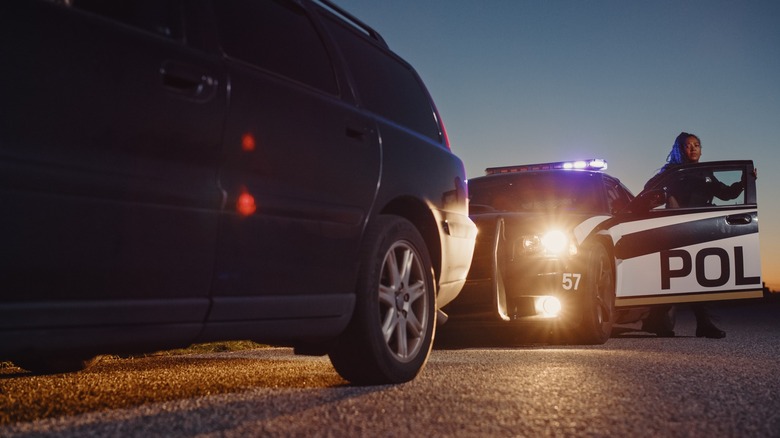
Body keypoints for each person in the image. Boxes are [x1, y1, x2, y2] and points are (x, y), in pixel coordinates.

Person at [642, 132, 754, 338]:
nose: (693, 148)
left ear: (701, 149)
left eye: (696, 144)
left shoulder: (706, 173)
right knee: (684, 276)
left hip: (702, 229)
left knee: (689, 277)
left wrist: (744, 179)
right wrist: (666, 197)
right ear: (679, 149)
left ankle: (655, 321)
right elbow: (648, 192)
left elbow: (727, 194)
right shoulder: (672, 172)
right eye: (687, 145)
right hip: (676, 229)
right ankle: (701, 323)